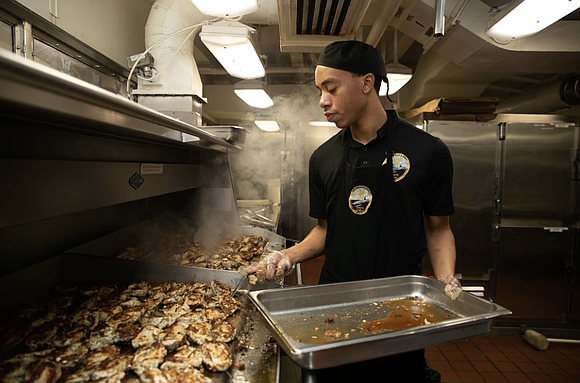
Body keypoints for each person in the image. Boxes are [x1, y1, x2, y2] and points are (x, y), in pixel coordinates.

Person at [247, 40, 460, 382]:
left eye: (331, 88)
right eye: (319, 90)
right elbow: (324, 230)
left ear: (366, 83)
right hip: (335, 303)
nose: (322, 100)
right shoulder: (323, 158)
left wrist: (447, 279)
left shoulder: (427, 151)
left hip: (400, 306)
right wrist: (285, 256)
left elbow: (438, 229)